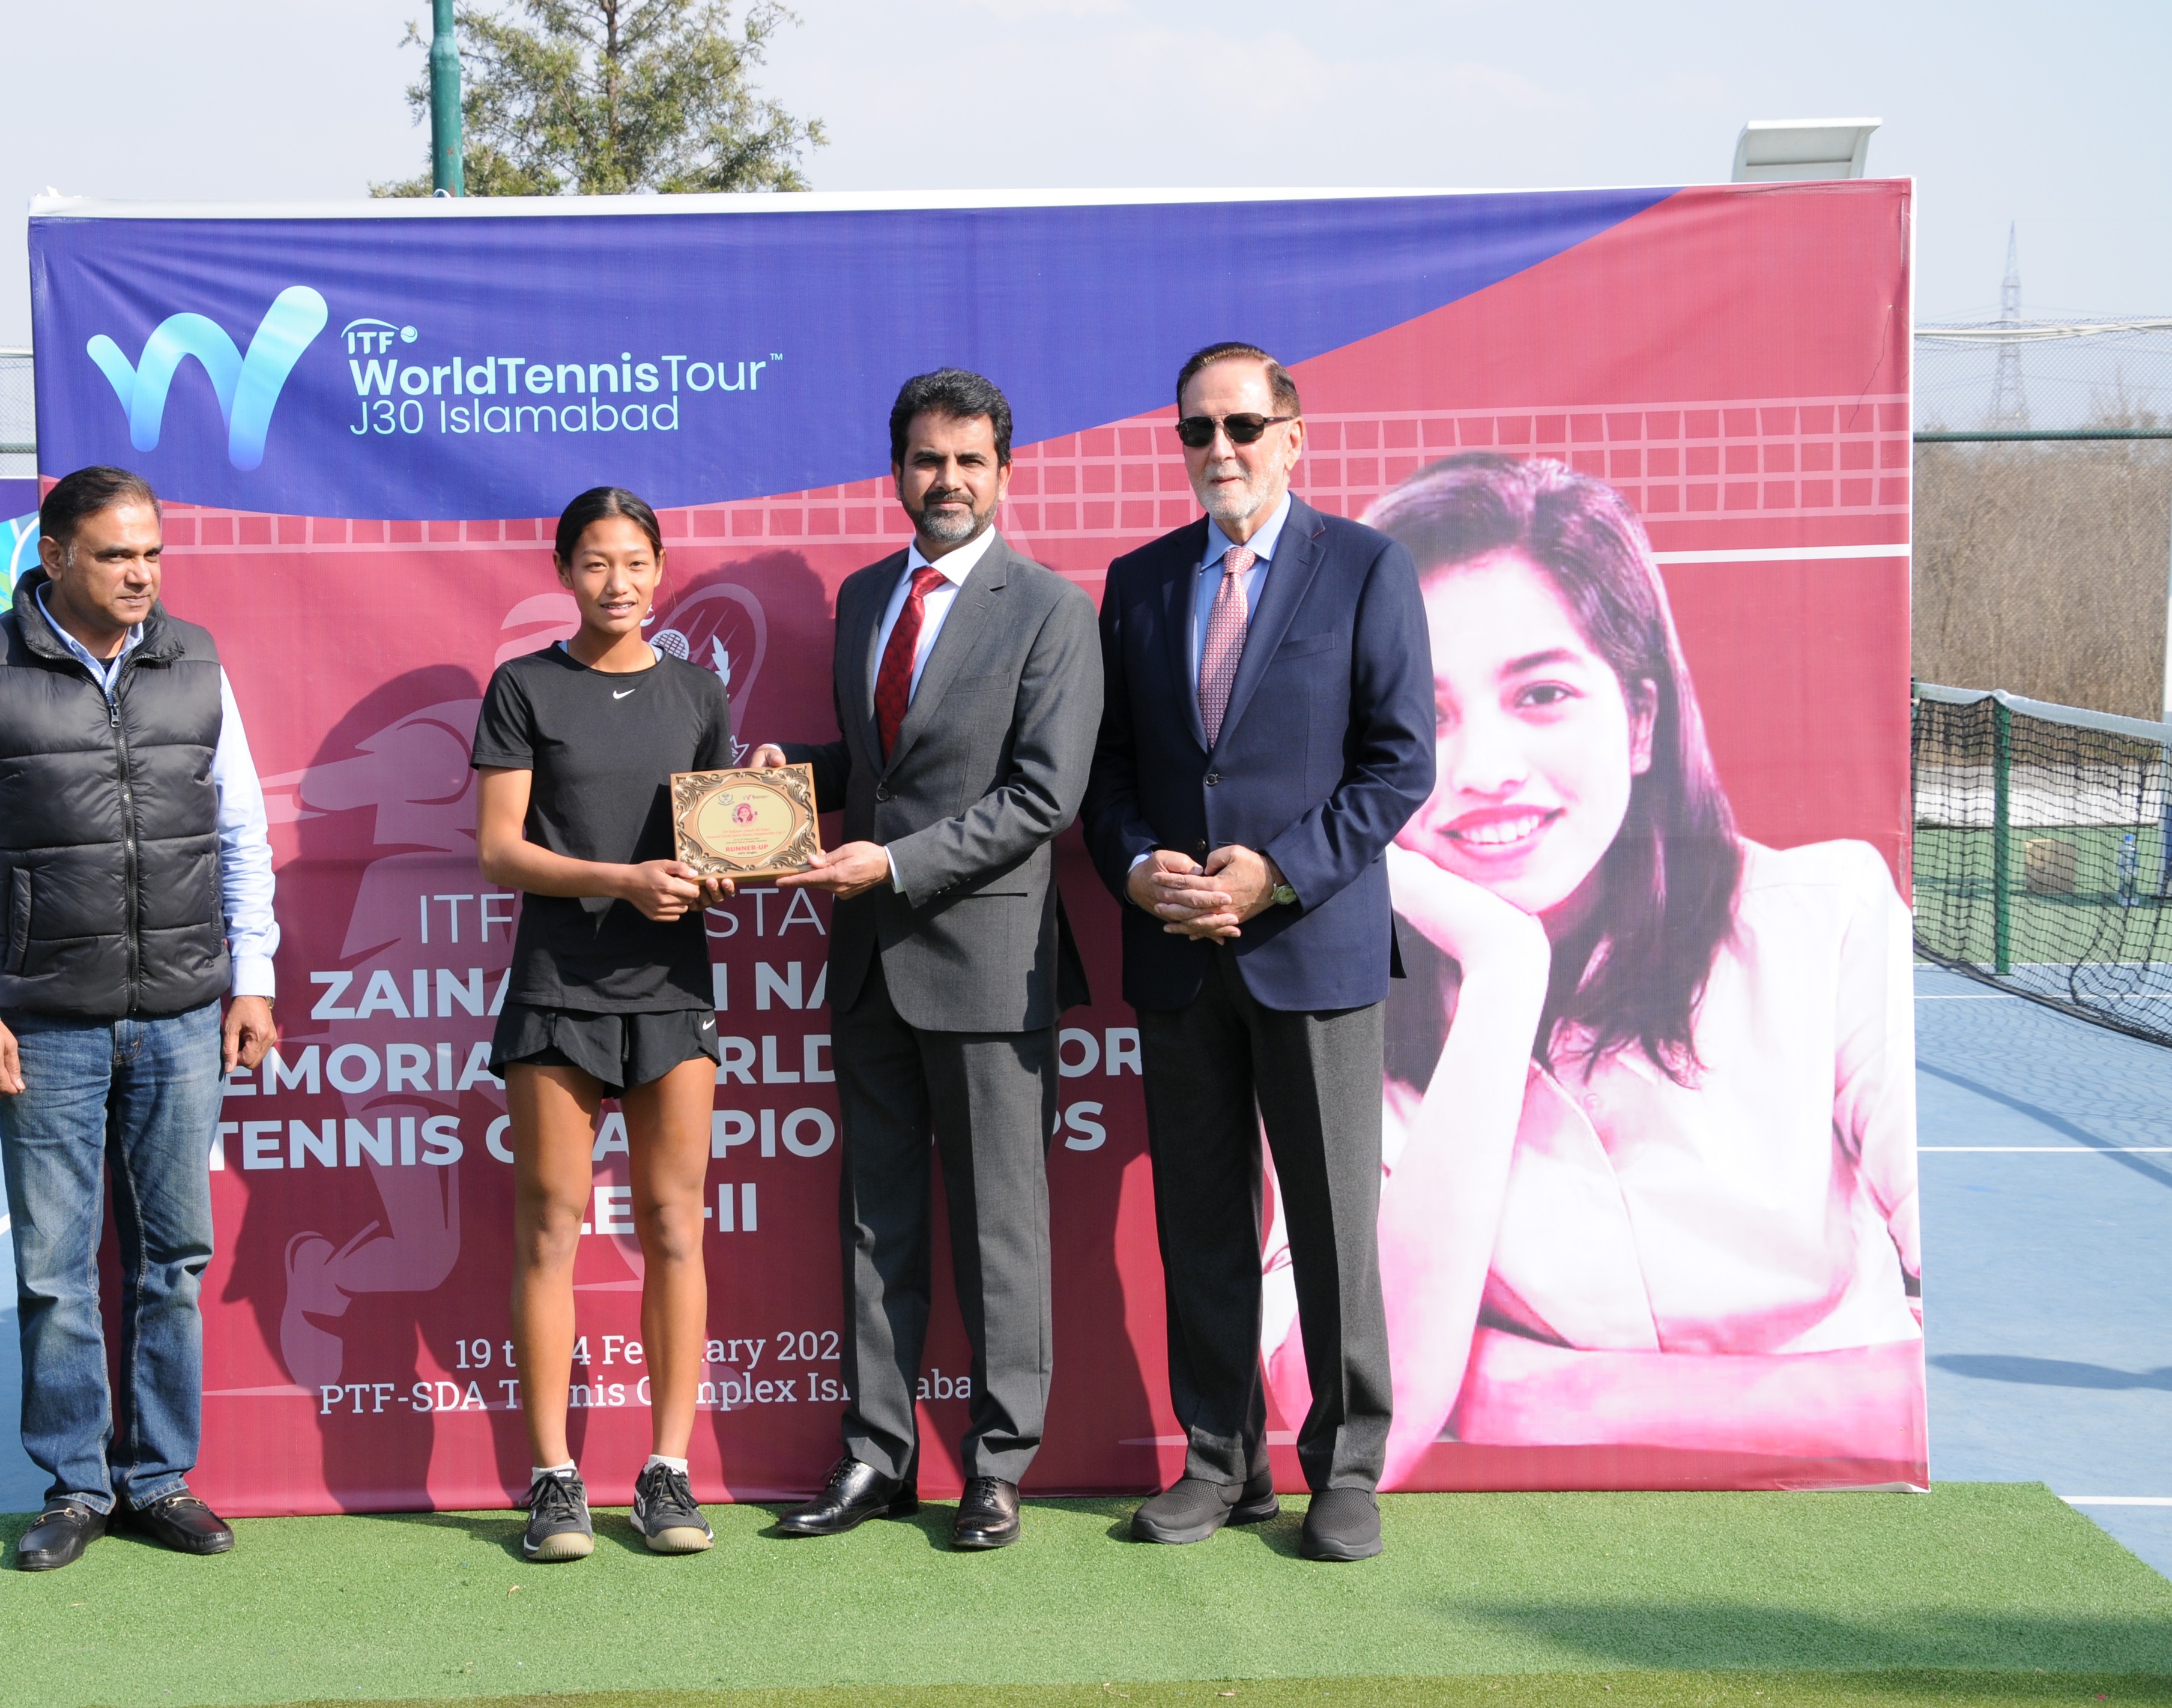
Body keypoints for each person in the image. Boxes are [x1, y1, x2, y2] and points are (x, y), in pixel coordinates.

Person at [1355, 452, 1919, 1484]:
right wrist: (1500, 969)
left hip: (1843, 1529)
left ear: (1642, 720)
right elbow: (1362, 1422)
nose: (1483, 770)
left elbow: (1932, 1393)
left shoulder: (1824, 920)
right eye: (1421, 718)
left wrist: (1531, 1389)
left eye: (1542, 692)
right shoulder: (1334, 999)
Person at [1081, 342, 1435, 1561]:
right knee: (1200, 1224)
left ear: (1291, 432)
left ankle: (1341, 1465)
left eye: (1239, 425)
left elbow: (1399, 762)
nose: (1217, 449)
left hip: (1313, 945)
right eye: (1195, 430)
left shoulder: (1368, 568)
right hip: (1178, 953)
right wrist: (1136, 866)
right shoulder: (1134, 582)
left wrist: (1274, 870)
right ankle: (1221, 1461)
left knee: (1333, 1225)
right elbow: (1111, 769)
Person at [743, 367, 1102, 1551]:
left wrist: (889, 866)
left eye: (966, 460)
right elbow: (877, 767)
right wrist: (779, 780)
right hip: (868, 962)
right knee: (873, 1221)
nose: (943, 481)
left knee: (998, 1221)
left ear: (1003, 470)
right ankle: (873, 1457)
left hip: (987, 962)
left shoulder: (1048, 607)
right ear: (893, 469)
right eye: (923, 460)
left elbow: (1041, 796)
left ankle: (996, 1465)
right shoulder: (860, 598)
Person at [0, 465, 280, 1572]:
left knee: (174, 1259)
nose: (141, 575)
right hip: (43, 1024)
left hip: (180, 1016)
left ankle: (158, 1479)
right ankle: (76, 1486)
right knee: (55, 1270)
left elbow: (241, 834)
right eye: (118, 555)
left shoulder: (196, 663)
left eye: (153, 554)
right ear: (55, 554)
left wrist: (249, 974)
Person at [472, 486, 739, 1562]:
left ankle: (667, 1475)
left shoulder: (698, 692)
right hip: (556, 989)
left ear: (660, 567)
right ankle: (553, 1481)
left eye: (634, 562)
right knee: (551, 1230)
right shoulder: (523, 686)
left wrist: (745, 829)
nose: (616, 583)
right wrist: (622, 881)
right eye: (594, 563)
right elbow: (499, 850)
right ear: (563, 571)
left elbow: (714, 852)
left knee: (676, 1229)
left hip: (672, 992)